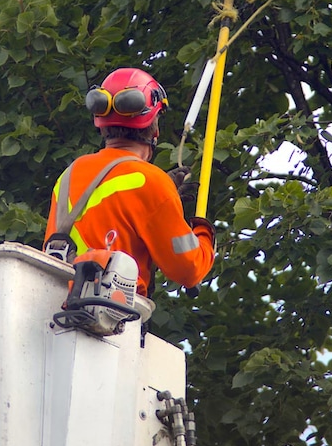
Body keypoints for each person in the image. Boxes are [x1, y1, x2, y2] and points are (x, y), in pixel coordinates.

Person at [44, 67, 215, 297]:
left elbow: (110, 208)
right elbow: (189, 269)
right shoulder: (151, 183)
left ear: (102, 123)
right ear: (154, 128)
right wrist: (204, 233)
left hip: (55, 307)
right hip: (113, 318)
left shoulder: (69, 174)